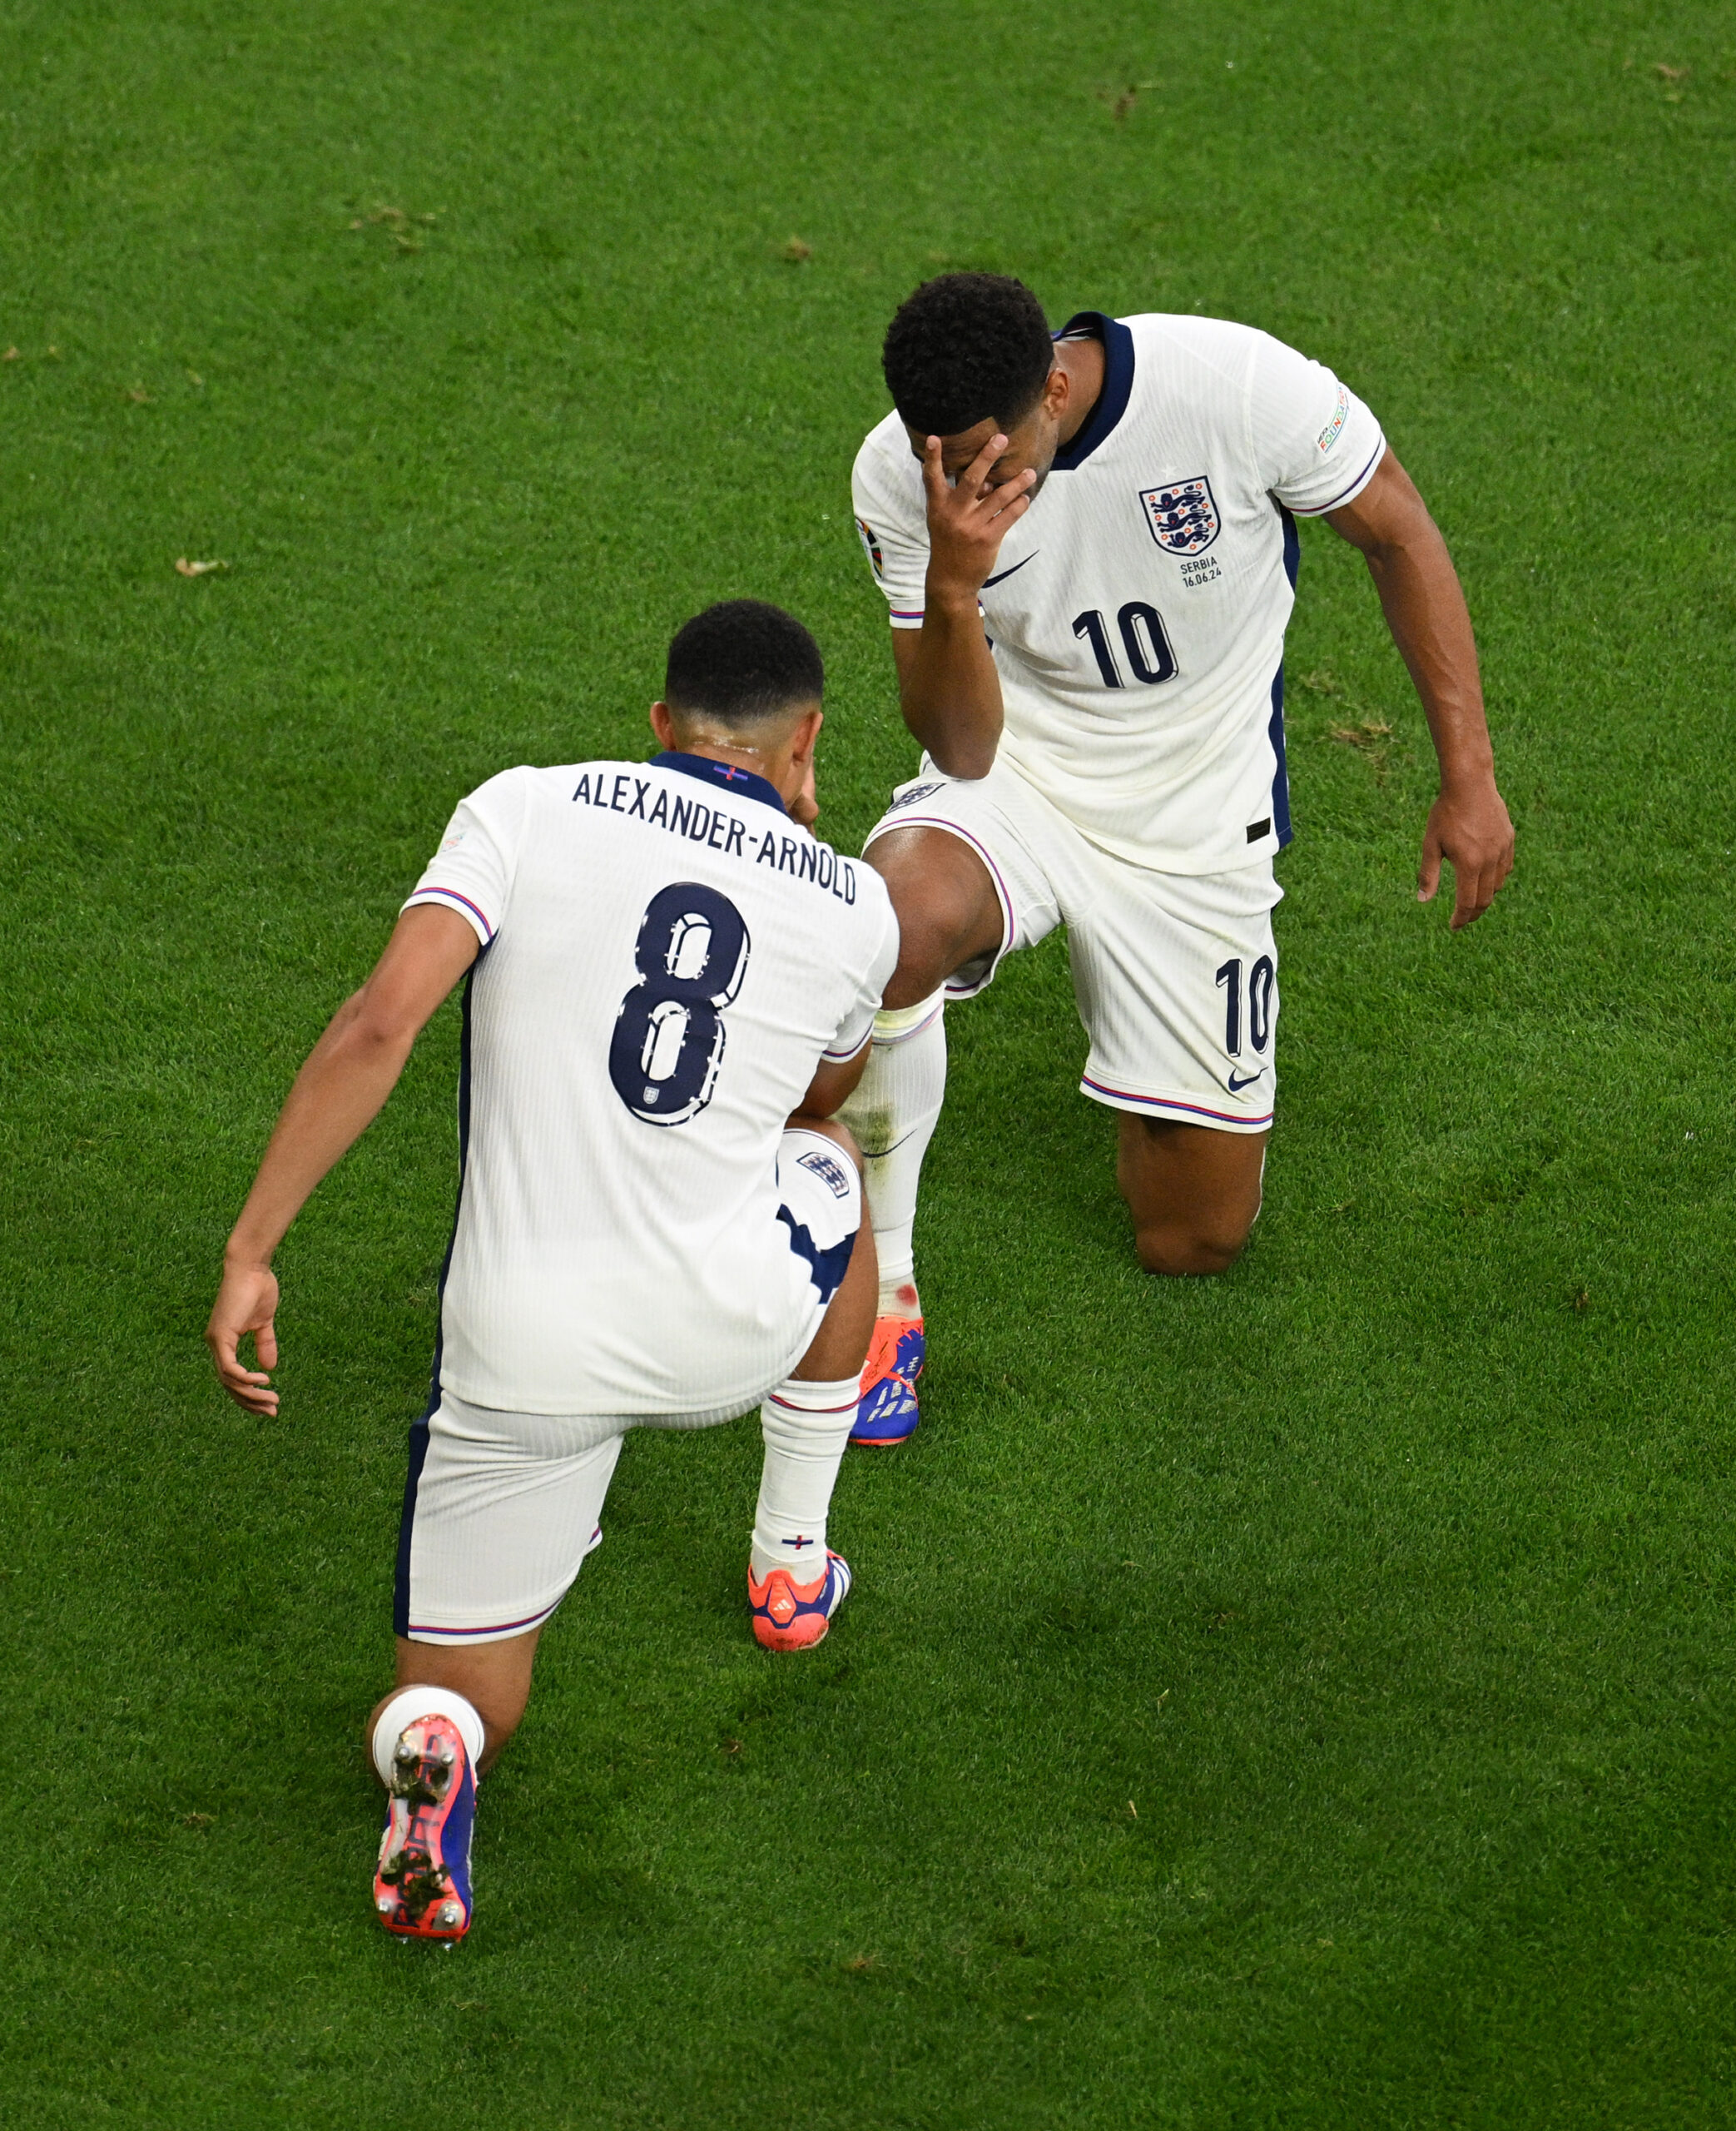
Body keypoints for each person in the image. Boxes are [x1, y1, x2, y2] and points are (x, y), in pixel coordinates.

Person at [205, 601, 899, 1943]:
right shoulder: (854, 902)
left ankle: (435, 1764)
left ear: (657, 728)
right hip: (732, 1321)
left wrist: (253, 1247)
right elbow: (821, 1084)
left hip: (525, 1357)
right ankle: (790, 1565)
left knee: (462, 1695)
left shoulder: (523, 807)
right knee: (826, 1165)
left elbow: (380, 1022)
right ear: (805, 741)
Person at [843, 273, 1515, 1444]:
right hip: (1021, 778)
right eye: (939, 460)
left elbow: (1396, 529)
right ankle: (879, 1289)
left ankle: (1150, 1069)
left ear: (1054, 388)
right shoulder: (903, 478)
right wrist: (953, 583)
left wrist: (1467, 775)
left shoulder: (1235, 387)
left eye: (989, 462)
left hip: (1196, 827)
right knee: (888, 924)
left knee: (1190, 1240)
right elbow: (959, 741)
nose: (964, 484)